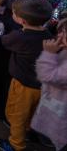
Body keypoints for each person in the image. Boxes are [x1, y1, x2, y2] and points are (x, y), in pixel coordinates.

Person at [0, 0, 53, 151]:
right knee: (31, 111)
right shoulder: (48, 35)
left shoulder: (20, 36)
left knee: (16, 114)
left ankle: (16, 144)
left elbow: (4, 41)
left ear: (22, 20)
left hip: (23, 84)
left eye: (14, 13)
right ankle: (28, 130)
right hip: (42, 86)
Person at [31, 18, 67, 151]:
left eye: (65, 33)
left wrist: (49, 53)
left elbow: (47, 76)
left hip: (61, 115)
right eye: (61, 31)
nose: (60, 35)